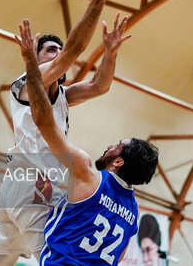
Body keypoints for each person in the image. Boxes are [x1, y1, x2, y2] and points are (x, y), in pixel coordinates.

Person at [0, 0, 128, 266]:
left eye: (57, 50)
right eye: (50, 50)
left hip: (18, 188)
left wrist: (110, 53)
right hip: (32, 190)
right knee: (57, 259)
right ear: (35, 61)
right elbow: (72, 53)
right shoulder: (26, 85)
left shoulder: (62, 93)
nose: (58, 55)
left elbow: (100, 86)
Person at [15, 18, 158, 266]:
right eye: (51, 50)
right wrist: (111, 52)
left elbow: (43, 121)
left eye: (117, 145)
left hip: (31, 189)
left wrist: (30, 65)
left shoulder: (87, 172)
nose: (109, 145)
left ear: (119, 160)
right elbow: (119, 257)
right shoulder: (133, 214)